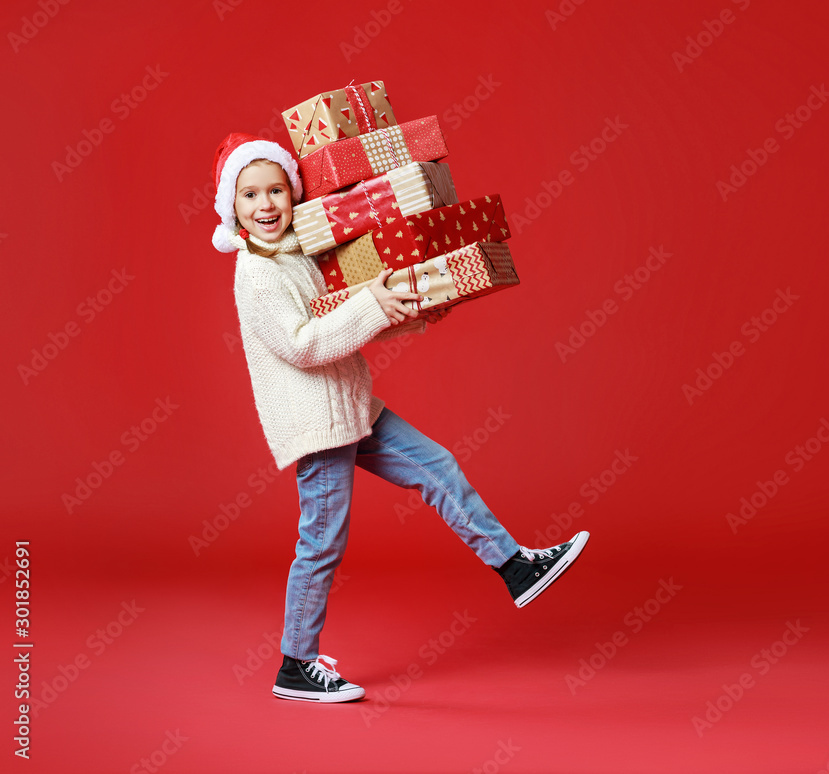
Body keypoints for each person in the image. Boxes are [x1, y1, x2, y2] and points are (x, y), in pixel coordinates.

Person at [211, 133, 589, 703]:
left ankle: (514, 567)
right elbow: (305, 345)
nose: (266, 205)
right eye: (250, 195)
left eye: (277, 190)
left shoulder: (298, 251)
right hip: (318, 426)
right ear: (231, 207)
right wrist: (369, 307)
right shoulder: (256, 275)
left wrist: (412, 306)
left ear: (292, 193)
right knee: (321, 543)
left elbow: (341, 311)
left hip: (353, 409)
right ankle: (296, 663)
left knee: (436, 466)